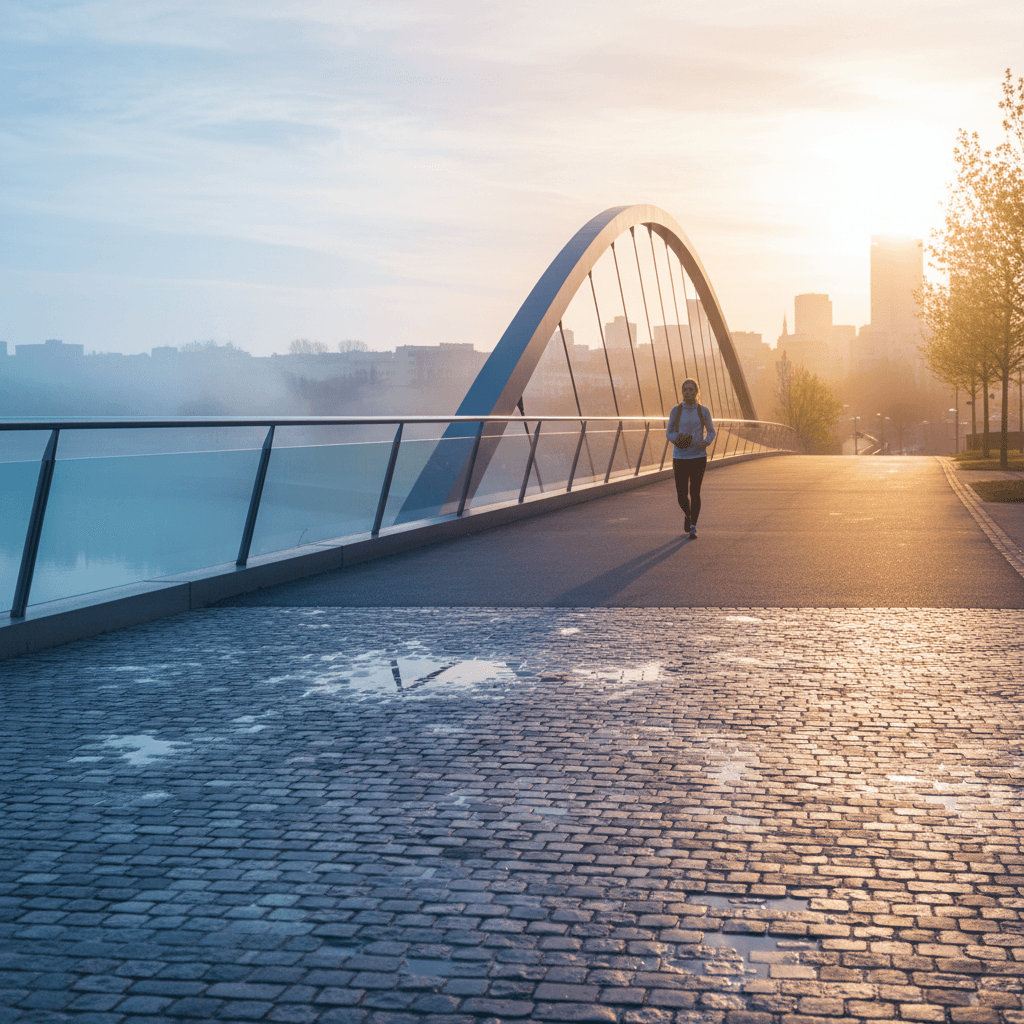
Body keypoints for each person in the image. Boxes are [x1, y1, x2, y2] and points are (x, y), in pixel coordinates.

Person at [666, 378, 716, 538]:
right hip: (680, 457)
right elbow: (669, 432)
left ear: (696, 392)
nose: (688, 392)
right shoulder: (676, 411)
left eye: (691, 389)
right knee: (681, 496)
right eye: (685, 390)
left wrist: (706, 442)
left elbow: (711, 431)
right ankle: (688, 515)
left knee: (695, 492)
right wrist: (677, 439)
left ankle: (693, 526)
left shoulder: (703, 411)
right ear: (682, 392)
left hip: (698, 457)